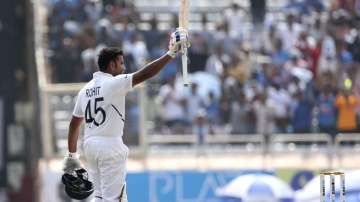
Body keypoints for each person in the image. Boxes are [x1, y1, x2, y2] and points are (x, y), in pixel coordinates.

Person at [62, 28, 189, 202]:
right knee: (115, 199)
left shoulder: (85, 90)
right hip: (110, 146)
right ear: (111, 65)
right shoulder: (113, 83)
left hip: (90, 145)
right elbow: (145, 74)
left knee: (99, 197)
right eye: (121, 63)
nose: (124, 68)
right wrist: (171, 53)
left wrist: (72, 156)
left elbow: (74, 124)